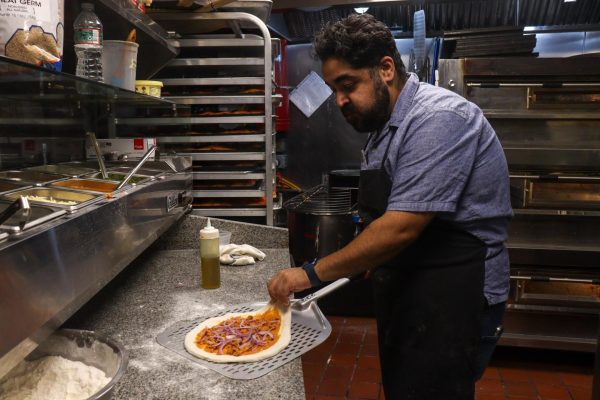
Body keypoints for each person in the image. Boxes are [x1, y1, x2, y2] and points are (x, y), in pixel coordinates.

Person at [267, 13, 513, 400]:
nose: (340, 100)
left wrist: (310, 274)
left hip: (453, 296)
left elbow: (401, 226)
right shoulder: (383, 128)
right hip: (411, 286)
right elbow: (382, 214)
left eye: (347, 85)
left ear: (385, 69)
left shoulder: (438, 119)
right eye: (334, 88)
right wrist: (368, 256)